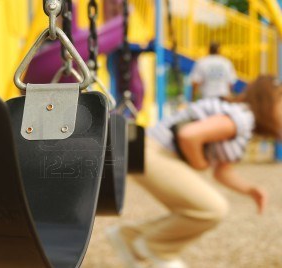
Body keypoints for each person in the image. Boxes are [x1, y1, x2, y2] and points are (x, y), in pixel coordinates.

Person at [107, 75, 282, 268]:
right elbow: (189, 135)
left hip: (149, 153)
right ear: (267, 102)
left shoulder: (242, 120)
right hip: (153, 153)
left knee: (198, 208)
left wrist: (249, 190)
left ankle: (129, 237)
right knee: (211, 208)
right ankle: (158, 249)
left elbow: (222, 171)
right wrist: (199, 164)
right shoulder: (241, 119)